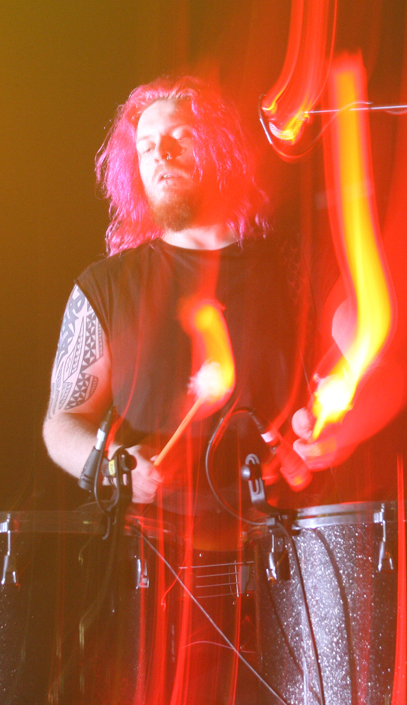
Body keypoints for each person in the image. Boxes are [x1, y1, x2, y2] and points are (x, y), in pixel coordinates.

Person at [43, 76, 301, 515]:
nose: (160, 153)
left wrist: (323, 437)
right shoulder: (104, 286)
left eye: (180, 137)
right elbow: (62, 423)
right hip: (152, 543)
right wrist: (113, 465)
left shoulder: (292, 266)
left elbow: (365, 365)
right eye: (145, 147)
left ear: (220, 149)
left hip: (282, 537)